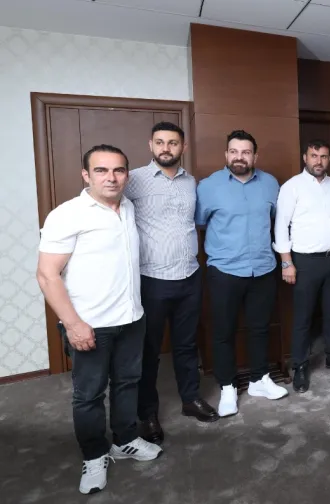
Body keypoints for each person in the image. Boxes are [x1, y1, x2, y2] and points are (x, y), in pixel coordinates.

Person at [37, 145, 162, 495]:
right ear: (86, 175)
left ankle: (125, 440)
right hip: (90, 324)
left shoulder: (128, 207)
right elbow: (47, 275)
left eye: (118, 170)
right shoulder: (68, 214)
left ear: (127, 174)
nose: (111, 178)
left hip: (131, 318)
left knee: (127, 383)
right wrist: (73, 324)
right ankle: (94, 455)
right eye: (101, 170)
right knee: (89, 395)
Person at [125, 122, 218, 446]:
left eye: (173, 143)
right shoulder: (133, 179)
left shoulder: (191, 182)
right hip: (151, 279)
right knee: (148, 351)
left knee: (187, 345)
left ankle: (190, 399)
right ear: (151, 145)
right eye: (160, 142)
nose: (166, 148)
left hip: (190, 276)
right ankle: (147, 414)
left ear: (183, 147)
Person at [195, 130, 288, 417]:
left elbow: (275, 220)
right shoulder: (208, 186)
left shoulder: (270, 183)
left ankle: (259, 379)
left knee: (260, 328)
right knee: (223, 332)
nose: (239, 157)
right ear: (226, 155)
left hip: (263, 268)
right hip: (225, 271)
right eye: (234, 151)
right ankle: (227, 387)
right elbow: (200, 222)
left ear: (255, 156)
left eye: (245, 152)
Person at [274, 139, 330, 393]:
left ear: (329, 159)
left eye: (323, 156)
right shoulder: (292, 187)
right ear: (305, 158)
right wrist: (286, 263)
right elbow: (281, 226)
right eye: (314, 156)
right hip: (305, 261)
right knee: (303, 316)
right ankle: (300, 365)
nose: (318, 161)